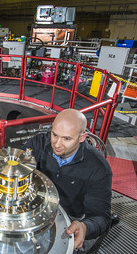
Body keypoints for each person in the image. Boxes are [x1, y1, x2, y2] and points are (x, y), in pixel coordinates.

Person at [22, 108, 112, 253]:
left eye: (66, 139)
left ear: (82, 137)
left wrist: (85, 227)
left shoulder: (98, 168)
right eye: (54, 135)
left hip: (71, 217)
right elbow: (18, 166)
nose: (57, 144)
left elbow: (102, 217)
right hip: (38, 208)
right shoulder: (38, 143)